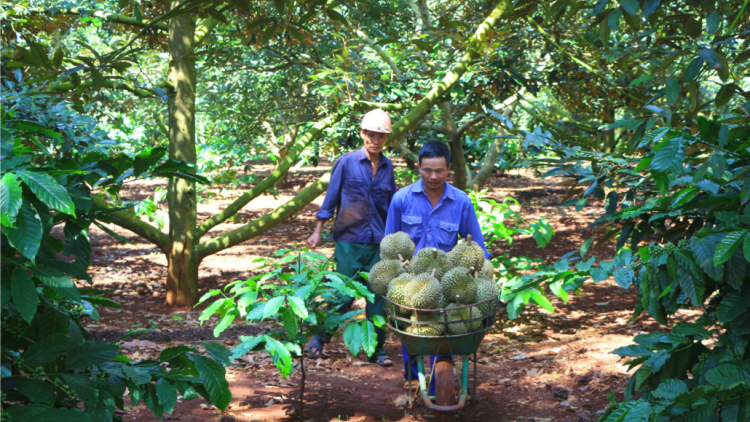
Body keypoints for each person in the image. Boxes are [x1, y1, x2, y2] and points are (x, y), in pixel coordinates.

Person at [383, 140, 489, 391]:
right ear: (418, 167)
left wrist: (485, 272)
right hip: (410, 281)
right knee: (412, 330)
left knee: (445, 330)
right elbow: (388, 245)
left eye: (439, 170)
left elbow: (477, 246)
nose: (433, 176)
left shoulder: (461, 202)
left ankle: (439, 381)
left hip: (448, 282)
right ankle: (413, 379)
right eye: (427, 170)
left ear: (449, 168)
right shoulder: (401, 199)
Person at [306, 109, 397, 367]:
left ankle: (376, 349)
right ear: (362, 134)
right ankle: (319, 339)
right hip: (349, 240)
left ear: (386, 139)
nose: (375, 140)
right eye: (371, 135)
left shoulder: (388, 167)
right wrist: (318, 229)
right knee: (343, 295)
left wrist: (396, 239)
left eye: (381, 136)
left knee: (378, 297)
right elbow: (331, 196)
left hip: (378, 242)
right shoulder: (346, 162)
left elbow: (391, 205)